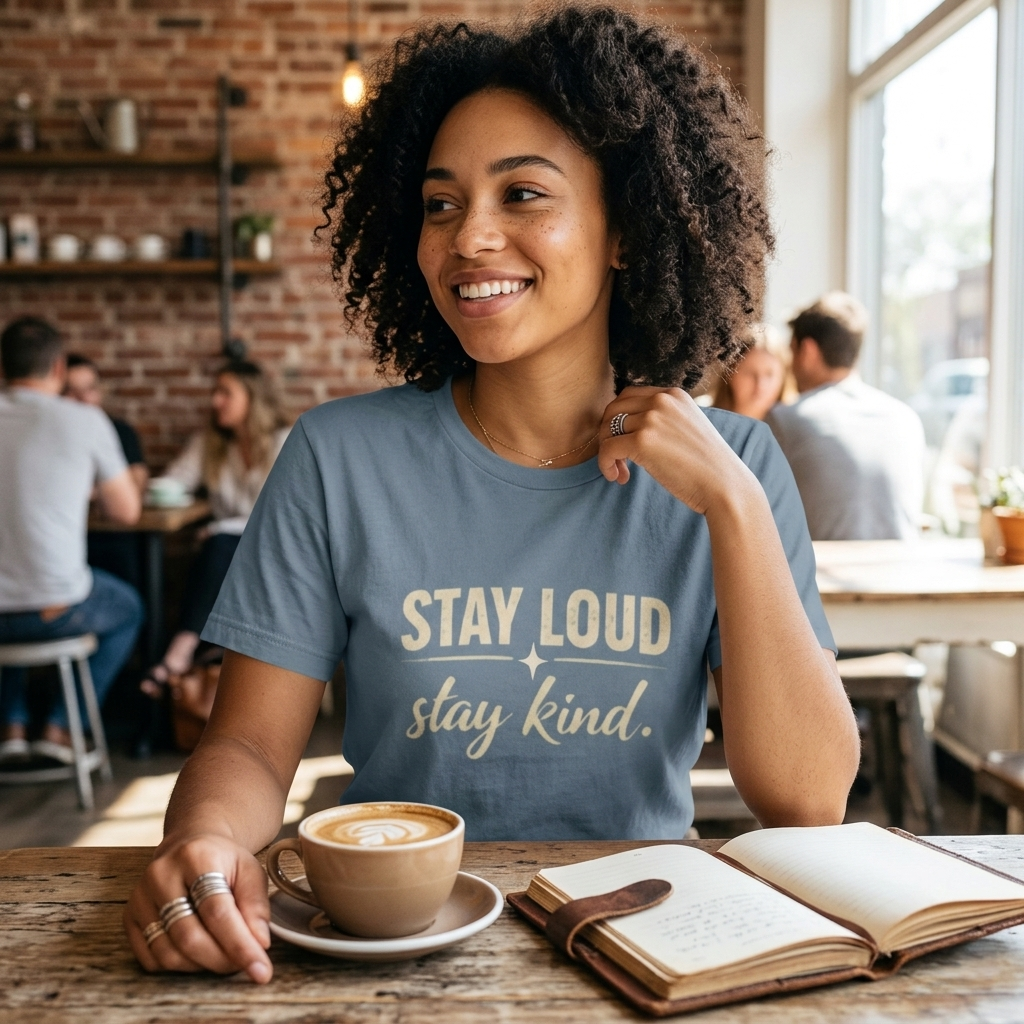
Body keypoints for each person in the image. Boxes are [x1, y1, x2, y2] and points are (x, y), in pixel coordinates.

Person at [125, 8, 859, 981]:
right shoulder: (339, 458)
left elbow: (805, 801)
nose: (470, 237)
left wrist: (730, 501)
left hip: (645, 945)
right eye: (439, 203)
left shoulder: (732, 468)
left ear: (625, 234)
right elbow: (252, 747)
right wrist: (208, 843)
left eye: (522, 194)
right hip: (388, 946)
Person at [0, 317, 144, 764]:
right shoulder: (83, 420)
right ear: (58, 368)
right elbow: (127, 511)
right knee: (128, 609)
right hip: (56, 608)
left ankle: (12, 727)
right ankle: (62, 728)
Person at [140, 360, 289, 693]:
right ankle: (195, 654)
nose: (215, 401)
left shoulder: (285, 442)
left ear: (253, 398)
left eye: (225, 393)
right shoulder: (210, 443)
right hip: (227, 554)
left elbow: (279, 514)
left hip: (275, 556)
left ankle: (181, 653)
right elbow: (175, 482)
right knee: (219, 548)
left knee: (219, 545)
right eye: (215, 392)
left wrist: (224, 527)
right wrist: (136, 485)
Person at [767, 293, 926, 541]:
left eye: (792, 352)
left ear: (807, 351)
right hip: (902, 571)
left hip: (825, 576)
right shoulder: (906, 419)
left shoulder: (785, 420)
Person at [65, 352, 149, 591]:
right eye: (72, 391)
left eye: (90, 389)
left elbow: (136, 484)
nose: (84, 399)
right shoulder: (52, 436)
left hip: (114, 532)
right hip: (69, 535)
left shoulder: (118, 430)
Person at [712, 324, 795, 420]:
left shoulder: (794, 429)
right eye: (749, 373)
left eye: (769, 374)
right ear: (730, 373)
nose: (760, 385)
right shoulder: (702, 420)